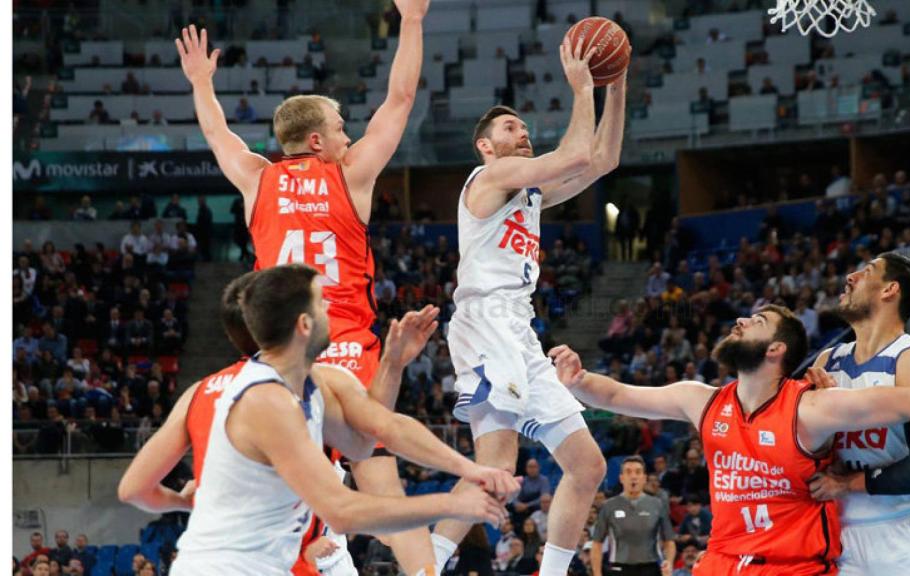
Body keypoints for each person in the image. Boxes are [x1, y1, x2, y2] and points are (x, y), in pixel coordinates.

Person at [176, 6, 441, 572]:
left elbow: (216, 133)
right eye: (343, 129)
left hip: (283, 357)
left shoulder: (256, 178)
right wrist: (413, 21)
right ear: (318, 139)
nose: (351, 136)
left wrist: (202, 83)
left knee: (290, 492)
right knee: (380, 486)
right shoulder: (351, 174)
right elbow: (399, 101)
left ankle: (319, 553)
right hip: (344, 343)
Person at [548, 304, 910, 575]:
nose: (740, 322)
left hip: (791, 566)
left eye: (756, 321)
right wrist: (578, 378)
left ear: (776, 350)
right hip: (720, 561)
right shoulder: (702, 399)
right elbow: (619, 394)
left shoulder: (810, 409)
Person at [119, 269, 517, 575]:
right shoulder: (266, 400)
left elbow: (370, 439)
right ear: (304, 325)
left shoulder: (312, 385)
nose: (332, 309)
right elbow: (341, 511)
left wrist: (471, 469)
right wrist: (454, 504)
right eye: (322, 303)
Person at [431, 32, 627, 576]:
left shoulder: (529, 193)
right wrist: (582, 87)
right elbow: (579, 151)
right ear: (486, 147)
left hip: (519, 330)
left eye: (523, 126)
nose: (523, 133)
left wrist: (617, 80)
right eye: (510, 128)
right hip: (485, 322)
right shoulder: (490, 177)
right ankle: (420, 564)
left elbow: (603, 159)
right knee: (496, 466)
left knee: (587, 466)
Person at [808, 252, 910, 575]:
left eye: (867, 272)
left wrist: (847, 484)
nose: (850, 277)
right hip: (843, 537)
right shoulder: (825, 363)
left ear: (889, 290)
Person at [590, 456, 675, 576]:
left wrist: (669, 562)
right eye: (628, 472)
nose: (633, 476)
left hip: (650, 569)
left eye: (638, 472)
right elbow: (597, 544)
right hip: (618, 569)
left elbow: (669, 541)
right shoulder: (609, 506)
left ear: (644, 478)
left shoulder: (657, 504)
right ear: (621, 478)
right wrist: (597, 574)